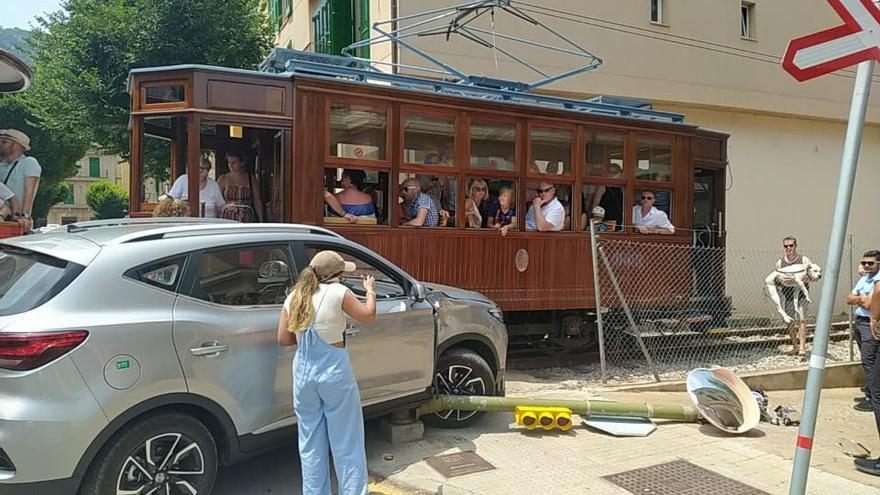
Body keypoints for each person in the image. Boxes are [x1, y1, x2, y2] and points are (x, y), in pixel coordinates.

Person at [277, 250, 376, 494]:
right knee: (346, 440)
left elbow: (284, 339)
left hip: (303, 373)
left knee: (310, 443)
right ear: (334, 275)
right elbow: (368, 316)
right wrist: (370, 291)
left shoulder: (294, 297)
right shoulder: (339, 292)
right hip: (333, 372)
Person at [848, 250, 880, 412]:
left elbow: (871, 305)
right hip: (860, 322)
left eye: (870, 263)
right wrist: (863, 299)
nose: (866, 266)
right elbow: (849, 299)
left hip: (870, 324)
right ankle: (871, 393)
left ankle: (873, 398)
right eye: (864, 263)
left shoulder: (878, 281)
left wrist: (861, 300)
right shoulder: (865, 279)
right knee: (867, 360)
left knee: (870, 361)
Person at [775, 236, 812, 356]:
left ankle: (802, 347)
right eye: (786, 246)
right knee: (790, 320)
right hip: (788, 294)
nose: (788, 248)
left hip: (801, 293)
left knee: (802, 319)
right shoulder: (780, 263)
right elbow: (777, 278)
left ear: (796, 245)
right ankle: (795, 346)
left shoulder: (804, 260)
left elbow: (812, 276)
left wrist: (798, 280)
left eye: (791, 245)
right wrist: (783, 280)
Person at [0, 129, 41, 231]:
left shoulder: (29, 162)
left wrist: (25, 216)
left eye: (4, 142)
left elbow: (30, 191)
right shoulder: (2, 165)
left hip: (16, 220)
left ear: (16, 145)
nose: (1, 144)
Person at [217, 150, 263, 222]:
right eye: (229, 162)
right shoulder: (223, 179)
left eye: (234, 162)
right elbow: (217, 201)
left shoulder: (251, 179)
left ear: (242, 163)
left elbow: (257, 201)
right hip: (226, 218)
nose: (231, 165)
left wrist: (261, 220)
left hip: (247, 218)